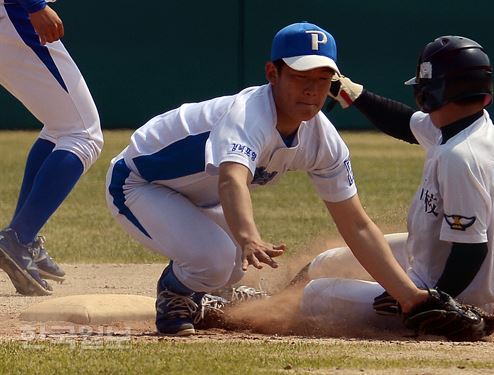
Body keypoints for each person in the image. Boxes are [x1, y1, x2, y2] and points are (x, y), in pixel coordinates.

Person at [105, 21, 431, 336]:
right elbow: (231, 180)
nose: (311, 88)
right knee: (216, 260)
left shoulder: (323, 139)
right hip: (138, 183)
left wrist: (409, 297)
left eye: (323, 78)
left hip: (199, 196)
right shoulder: (248, 115)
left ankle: (210, 295)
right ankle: (174, 292)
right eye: (301, 75)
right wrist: (248, 237)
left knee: (231, 268)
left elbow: (357, 225)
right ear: (272, 73)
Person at [297, 36, 494, 336]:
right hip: (438, 253)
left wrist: (428, 301)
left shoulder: (461, 157)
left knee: (315, 295)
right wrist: (354, 94)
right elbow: (406, 124)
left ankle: (260, 307)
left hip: (451, 290)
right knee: (328, 261)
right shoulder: (469, 124)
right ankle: (271, 295)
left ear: (433, 91)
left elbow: (471, 250)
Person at [0, 0, 103, 296]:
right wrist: (34, 5)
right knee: (83, 134)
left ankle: (22, 240)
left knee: (61, 127)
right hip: (13, 14)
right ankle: (18, 238)